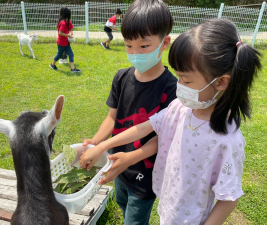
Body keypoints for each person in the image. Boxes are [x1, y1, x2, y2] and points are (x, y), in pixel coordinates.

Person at [80, 18, 262, 225]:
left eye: (186, 80)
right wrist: (103, 144)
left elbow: (229, 197)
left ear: (220, 82)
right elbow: (145, 127)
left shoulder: (227, 140)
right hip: (169, 206)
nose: (179, 85)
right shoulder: (181, 108)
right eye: (178, 77)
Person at [82, 0, 177, 224]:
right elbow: (112, 117)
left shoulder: (171, 89)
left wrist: (130, 158)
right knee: (122, 203)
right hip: (116, 162)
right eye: (128, 45)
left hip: (144, 172)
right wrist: (96, 142)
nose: (135, 53)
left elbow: (161, 139)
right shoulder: (121, 77)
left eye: (144, 46)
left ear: (165, 43)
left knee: (135, 219)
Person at [50, 6, 81, 73]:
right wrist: (68, 35)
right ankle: (52, 65)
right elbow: (60, 33)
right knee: (59, 55)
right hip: (61, 43)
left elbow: (70, 28)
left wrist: (71, 34)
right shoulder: (63, 23)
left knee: (71, 54)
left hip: (66, 43)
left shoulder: (67, 22)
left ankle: (73, 69)